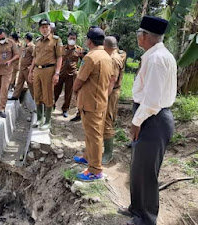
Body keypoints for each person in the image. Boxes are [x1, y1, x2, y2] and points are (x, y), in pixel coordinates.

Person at [119, 16, 176, 225]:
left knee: (147, 172)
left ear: (144, 36)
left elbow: (152, 99)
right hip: (149, 115)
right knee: (138, 167)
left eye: (138, 34)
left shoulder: (157, 58)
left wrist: (137, 121)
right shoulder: (154, 55)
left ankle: (146, 219)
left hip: (154, 118)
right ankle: (136, 209)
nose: (137, 38)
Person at [72, 27, 113, 181]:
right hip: (100, 100)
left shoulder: (91, 57)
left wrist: (75, 91)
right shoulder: (106, 56)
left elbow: (80, 80)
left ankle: (95, 170)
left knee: (94, 136)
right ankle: (88, 156)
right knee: (91, 133)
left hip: (90, 103)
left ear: (89, 41)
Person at [28, 19, 63, 130]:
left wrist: (57, 73)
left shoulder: (56, 40)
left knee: (48, 95)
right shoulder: (38, 41)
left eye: (46, 27)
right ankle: (39, 119)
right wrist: (30, 71)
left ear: (50, 28)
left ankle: (47, 121)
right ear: (39, 29)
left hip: (49, 70)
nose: (44, 29)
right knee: (37, 94)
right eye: (42, 27)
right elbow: (34, 57)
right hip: (37, 70)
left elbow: (59, 57)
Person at [102, 36, 124, 165]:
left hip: (111, 93)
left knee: (107, 121)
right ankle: (103, 149)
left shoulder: (114, 59)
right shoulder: (114, 56)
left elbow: (112, 81)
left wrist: (104, 97)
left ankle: (108, 153)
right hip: (110, 92)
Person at [0, 29, 20, 118]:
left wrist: (10, 61)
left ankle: (2, 108)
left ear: (5, 35)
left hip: (7, 70)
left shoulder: (11, 43)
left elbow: (17, 55)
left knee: (4, 88)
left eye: (2, 38)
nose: (1, 40)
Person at [54, 31, 83, 118]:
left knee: (68, 93)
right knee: (55, 90)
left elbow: (84, 61)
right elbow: (56, 59)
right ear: (67, 38)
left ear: (76, 39)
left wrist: (79, 71)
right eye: (71, 38)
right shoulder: (61, 48)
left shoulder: (79, 50)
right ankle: (52, 105)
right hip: (60, 73)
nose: (72, 40)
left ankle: (65, 109)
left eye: (74, 39)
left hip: (71, 74)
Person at [8, 33, 35, 100]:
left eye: (25, 38)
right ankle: (15, 96)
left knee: (31, 85)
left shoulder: (32, 46)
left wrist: (31, 66)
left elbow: (35, 57)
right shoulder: (25, 46)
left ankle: (36, 99)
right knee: (19, 83)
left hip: (27, 68)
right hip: (22, 68)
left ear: (27, 38)